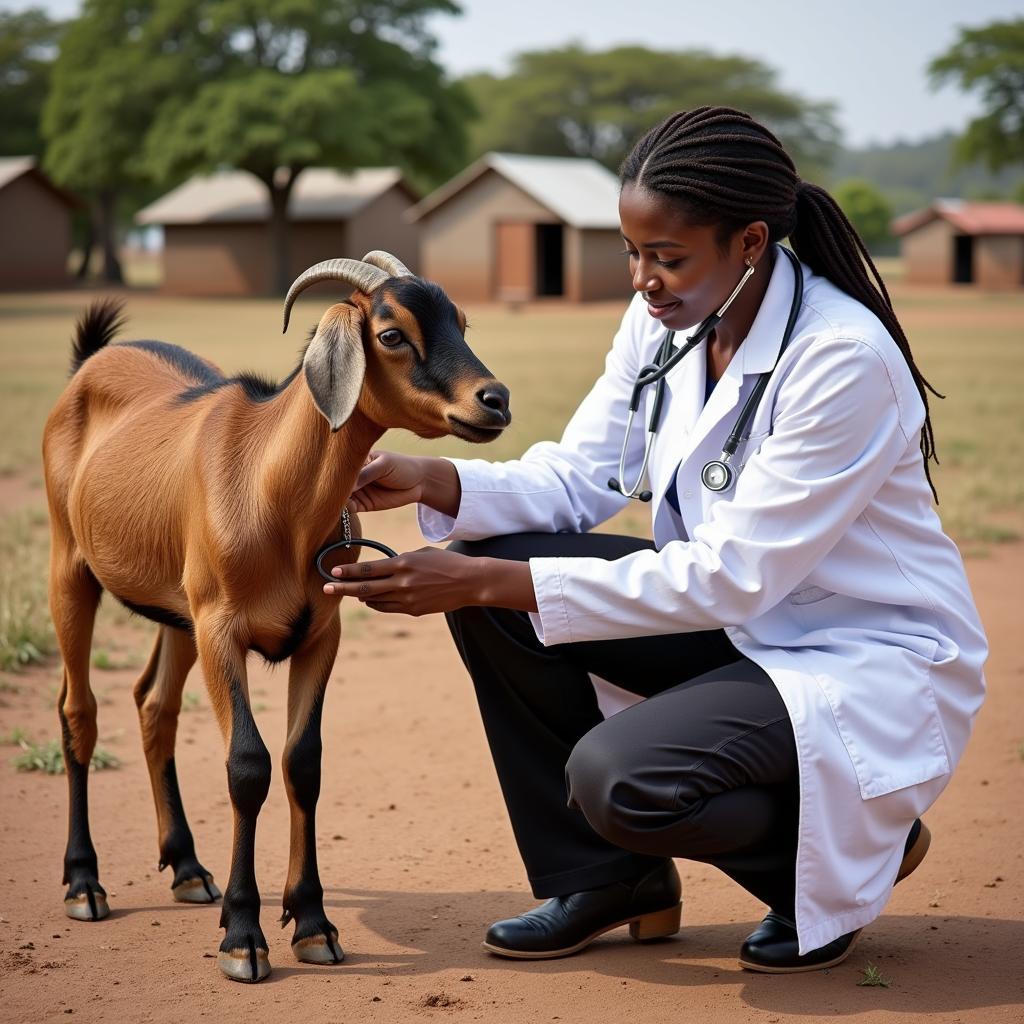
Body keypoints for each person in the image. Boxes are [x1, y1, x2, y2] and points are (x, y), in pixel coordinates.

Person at [322, 107, 988, 973]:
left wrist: (480, 581)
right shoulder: (668, 321)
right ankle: (608, 882)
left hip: (858, 652)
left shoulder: (840, 358)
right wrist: (439, 479)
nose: (643, 280)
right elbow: (583, 476)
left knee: (617, 775)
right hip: (744, 621)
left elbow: (733, 578)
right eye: (634, 253)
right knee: (503, 569)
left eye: (666, 257)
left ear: (750, 242)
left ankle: (832, 859)